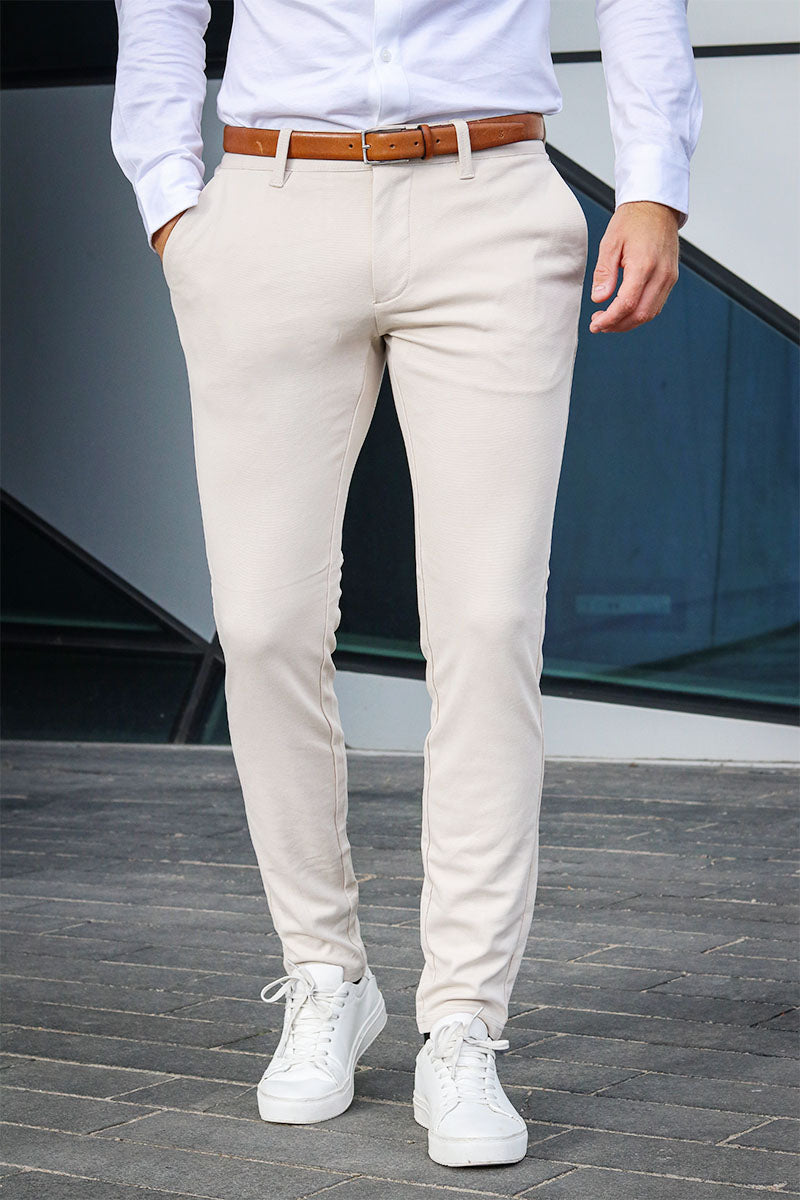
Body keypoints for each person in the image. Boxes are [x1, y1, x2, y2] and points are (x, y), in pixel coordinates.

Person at [111, 0, 702, 1169]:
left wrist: (652, 186)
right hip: (272, 202)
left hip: (489, 201)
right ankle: (324, 972)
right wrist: (169, 200)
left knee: (487, 623)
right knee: (262, 623)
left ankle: (464, 1019)